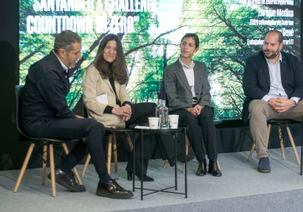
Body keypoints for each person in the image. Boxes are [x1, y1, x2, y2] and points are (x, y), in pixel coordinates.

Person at [20, 30, 132, 199]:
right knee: (93, 127)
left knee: (95, 128)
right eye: (76, 52)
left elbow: (57, 105)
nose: (79, 56)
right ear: (62, 52)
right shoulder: (48, 70)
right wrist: (77, 118)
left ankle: (63, 170)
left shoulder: (56, 65)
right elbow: (60, 108)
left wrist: (77, 118)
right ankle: (105, 182)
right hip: (38, 123)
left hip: (49, 118)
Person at [82, 34, 175, 182]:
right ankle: (169, 154)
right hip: (104, 117)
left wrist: (127, 107)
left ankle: (136, 169)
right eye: (108, 47)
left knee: (149, 122)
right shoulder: (92, 71)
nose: (111, 52)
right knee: (151, 109)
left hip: (121, 114)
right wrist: (115, 109)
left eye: (115, 49)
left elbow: (124, 94)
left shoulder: (116, 70)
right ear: (102, 49)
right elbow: (89, 101)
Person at [242, 30, 303, 173]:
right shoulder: (253, 61)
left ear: (280, 46)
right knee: (255, 107)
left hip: (289, 104)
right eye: (266, 43)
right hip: (267, 104)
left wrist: (292, 101)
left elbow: (302, 85)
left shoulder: (292, 60)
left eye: (272, 44)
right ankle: (263, 157)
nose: (268, 47)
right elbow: (248, 88)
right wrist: (269, 100)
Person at [163, 33, 222, 177]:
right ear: (180, 45)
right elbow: (171, 97)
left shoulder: (201, 67)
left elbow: (206, 91)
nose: (185, 47)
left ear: (195, 50)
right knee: (190, 121)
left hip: (200, 105)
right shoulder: (170, 69)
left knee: (207, 118)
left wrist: (200, 106)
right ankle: (201, 161)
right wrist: (188, 108)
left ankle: (213, 161)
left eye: (190, 45)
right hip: (180, 108)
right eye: (184, 43)